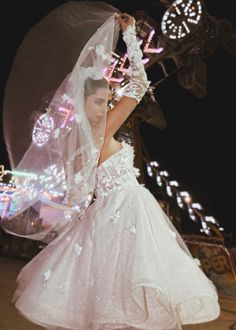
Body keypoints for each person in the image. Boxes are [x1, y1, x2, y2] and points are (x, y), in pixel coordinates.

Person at [2, 4, 220, 330]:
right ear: (82, 104)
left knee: (110, 294)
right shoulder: (101, 131)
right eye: (99, 102)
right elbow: (140, 82)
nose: (107, 107)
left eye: (107, 101)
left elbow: (77, 188)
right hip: (127, 209)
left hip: (105, 215)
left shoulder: (78, 146)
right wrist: (131, 35)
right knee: (125, 293)